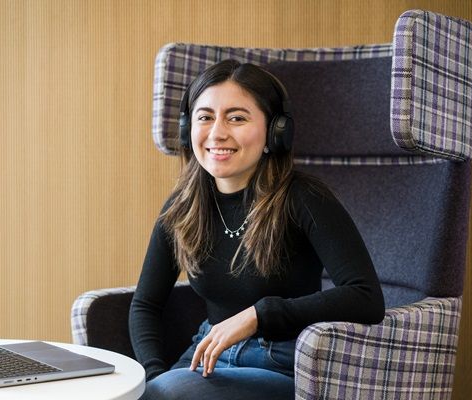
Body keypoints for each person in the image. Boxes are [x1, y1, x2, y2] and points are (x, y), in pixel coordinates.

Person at [129, 59, 385, 400]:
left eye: (236, 118)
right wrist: (154, 378)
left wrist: (258, 315)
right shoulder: (183, 206)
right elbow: (145, 304)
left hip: (279, 363)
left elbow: (365, 297)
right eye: (205, 117)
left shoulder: (304, 197)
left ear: (275, 132)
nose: (217, 132)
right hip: (203, 359)